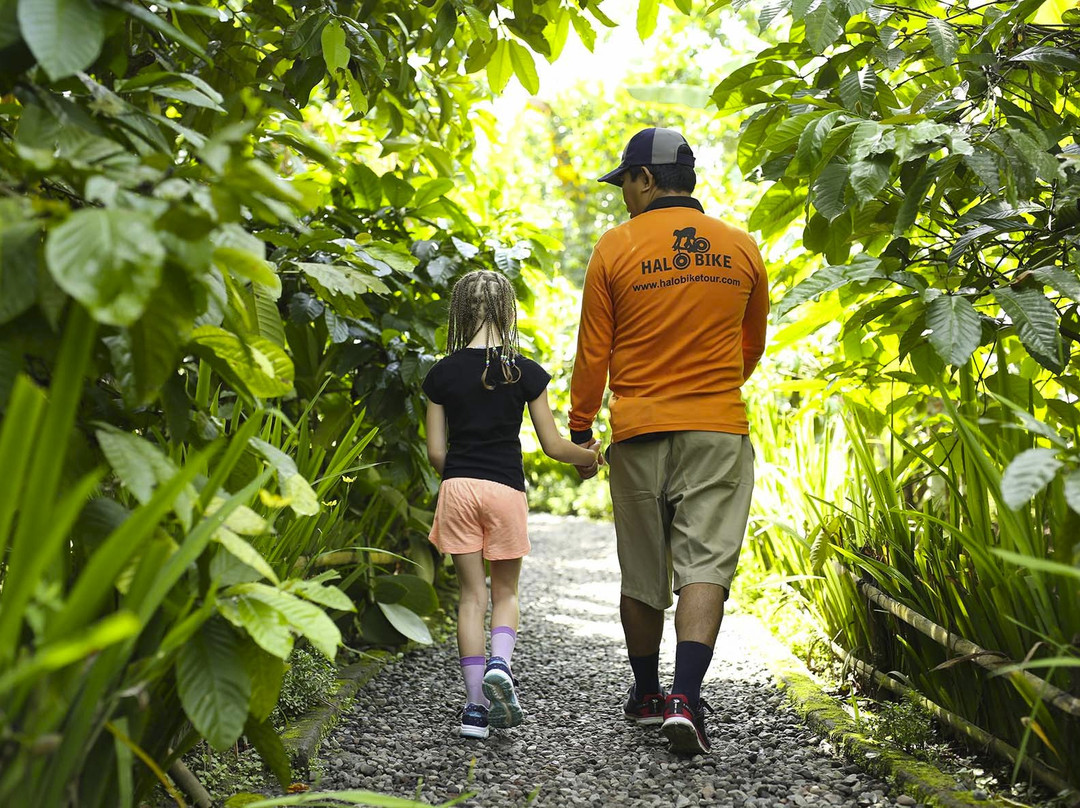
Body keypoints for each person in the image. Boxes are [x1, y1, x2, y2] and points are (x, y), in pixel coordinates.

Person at [568, 126, 769, 755]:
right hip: (717, 427)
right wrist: (709, 391)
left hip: (639, 429)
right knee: (706, 562)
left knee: (643, 567)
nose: (623, 195)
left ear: (646, 179)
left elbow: (592, 351)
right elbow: (751, 345)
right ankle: (687, 694)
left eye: (625, 181)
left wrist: (580, 429)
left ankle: (648, 693)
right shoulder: (740, 247)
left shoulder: (615, 248)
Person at [423, 269, 603, 740]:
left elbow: (436, 453)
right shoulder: (524, 371)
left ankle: (475, 711)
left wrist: (460, 476)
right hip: (505, 489)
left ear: (460, 312)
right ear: (508, 312)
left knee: (470, 597)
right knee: (505, 593)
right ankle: (500, 663)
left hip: (458, 486)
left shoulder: (441, 374)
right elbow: (552, 445)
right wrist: (593, 457)